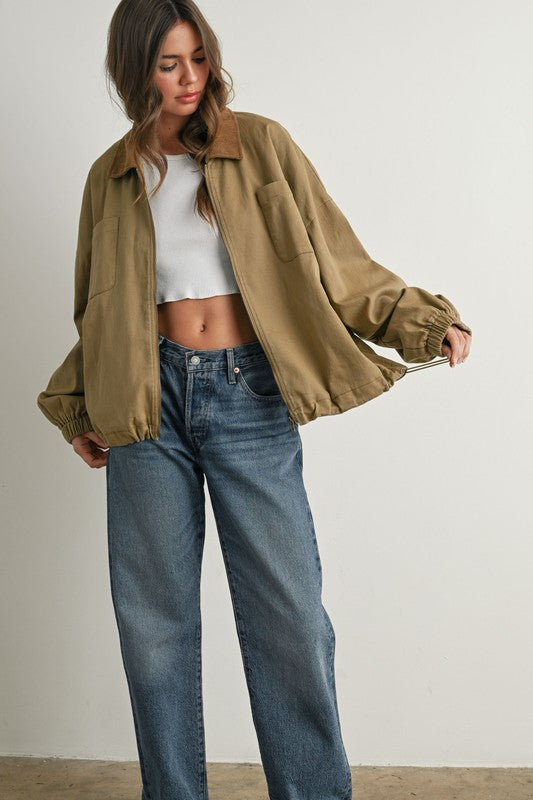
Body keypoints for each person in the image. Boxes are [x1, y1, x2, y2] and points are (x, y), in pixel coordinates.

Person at [36, 1, 472, 799]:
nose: (189, 78)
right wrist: (81, 407)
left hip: (249, 394)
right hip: (145, 403)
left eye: (198, 57)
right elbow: (97, 310)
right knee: (153, 628)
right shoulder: (111, 176)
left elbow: (336, 261)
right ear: (134, 70)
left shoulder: (260, 145)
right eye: (168, 63)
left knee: (289, 617)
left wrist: (418, 322)